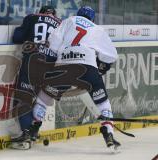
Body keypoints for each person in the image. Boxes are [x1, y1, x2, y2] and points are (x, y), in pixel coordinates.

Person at [48, 6, 121, 150]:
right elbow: (110, 56)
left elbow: (54, 43)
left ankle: (32, 128)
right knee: (103, 103)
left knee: (45, 96)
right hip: (87, 69)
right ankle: (108, 132)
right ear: (92, 19)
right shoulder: (96, 29)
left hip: (64, 67)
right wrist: (100, 70)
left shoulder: (68, 22)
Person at [10, 5, 61, 149]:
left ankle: (26, 135)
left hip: (32, 61)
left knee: (24, 97)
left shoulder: (32, 17)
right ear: (54, 14)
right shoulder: (62, 23)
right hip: (50, 67)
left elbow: (17, 37)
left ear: (41, 12)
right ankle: (33, 131)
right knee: (41, 101)